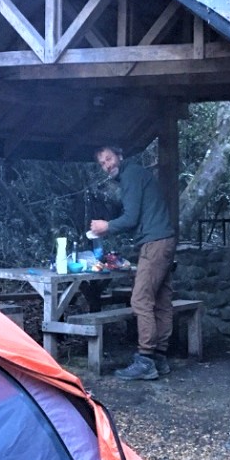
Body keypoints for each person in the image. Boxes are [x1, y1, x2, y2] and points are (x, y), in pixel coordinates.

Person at [89, 145, 177, 380]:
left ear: (120, 155)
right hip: (164, 240)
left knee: (140, 299)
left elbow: (131, 217)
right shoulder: (136, 175)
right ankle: (159, 356)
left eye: (108, 159)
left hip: (155, 243)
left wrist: (105, 227)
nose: (106, 165)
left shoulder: (131, 175)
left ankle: (145, 359)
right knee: (161, 299)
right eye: (102, 163)